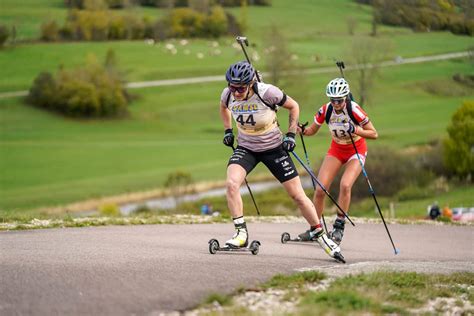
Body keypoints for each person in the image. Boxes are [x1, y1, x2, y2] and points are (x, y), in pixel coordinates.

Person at [219, 61, 342, 261]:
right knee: (232, 184)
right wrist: (227, 130)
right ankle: (241, 234)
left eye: (240, 87)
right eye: (232, 86)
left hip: (274, 148)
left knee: (297, 196)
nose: (236, 91)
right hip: (246, 148)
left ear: (250, 83)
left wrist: (291, 134)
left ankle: (320, 235)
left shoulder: (268, 92)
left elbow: (294, 106)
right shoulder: (227, 94)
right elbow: (224, 107)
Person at [297, 78, 378, 245]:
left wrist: (356, 129)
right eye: (332, 100)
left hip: (357, 149)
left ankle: (339, 227)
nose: (336, 103)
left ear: (345, 97)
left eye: (339, 100)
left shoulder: (354, 109)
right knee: (320, 189)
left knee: (345, 185)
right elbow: (313, 129)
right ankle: (315, 228)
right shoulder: (326, 110)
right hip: (336, 149)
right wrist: (303, 130)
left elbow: (374, 133)